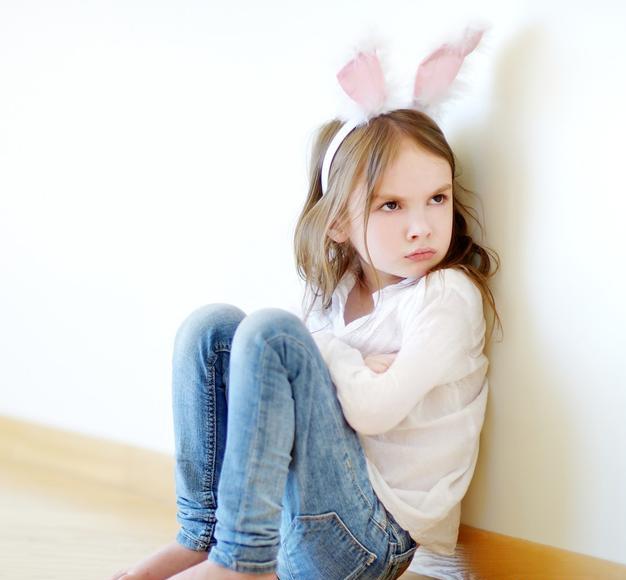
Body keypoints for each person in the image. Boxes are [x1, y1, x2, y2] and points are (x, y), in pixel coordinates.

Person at [111, 27, 501, 580]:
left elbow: (373, 410)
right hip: (306, 518)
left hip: (369, 539)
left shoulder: (446, 296)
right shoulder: (335, 293)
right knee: (213, 329)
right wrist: (346, 360)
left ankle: (241, 562)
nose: (421, 226)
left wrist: (332, 354)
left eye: (436, 198)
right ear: (338, 222)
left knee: (274, 334)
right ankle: (205, 535)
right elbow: (313, 398)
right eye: (391, 206)